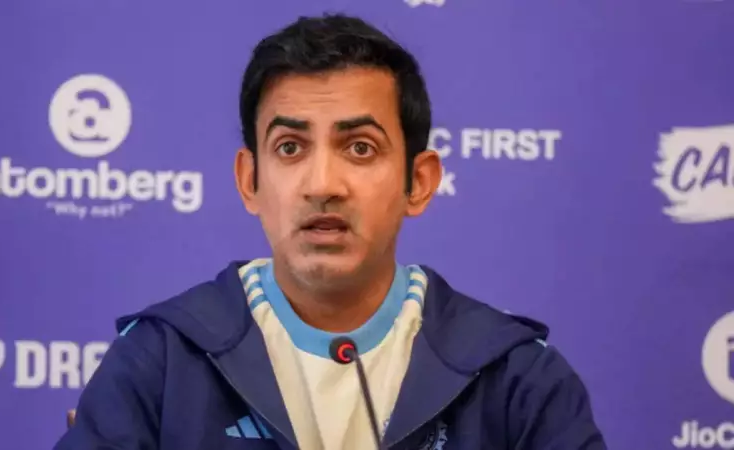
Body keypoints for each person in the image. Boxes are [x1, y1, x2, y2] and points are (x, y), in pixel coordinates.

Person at [55, 13, 606, 450]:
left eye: (360, 148)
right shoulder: (159, 361)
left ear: (418, 183)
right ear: (249, 181)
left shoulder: (518, 377)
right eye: (290, 148)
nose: (322, 184)